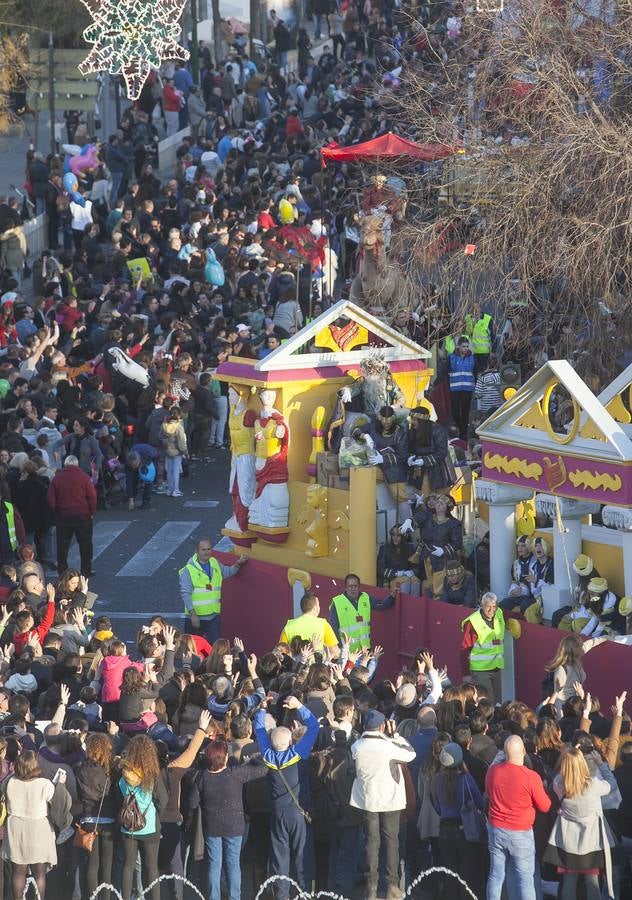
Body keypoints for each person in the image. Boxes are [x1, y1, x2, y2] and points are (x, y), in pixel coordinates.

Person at [253, 694, 319, 900]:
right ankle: (306, 893)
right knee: (302, 857)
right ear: (291, 740)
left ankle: (281, 895)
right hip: (299, 812)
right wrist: (299, 705)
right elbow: (314, 726)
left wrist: (262, 709)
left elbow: (259, 731)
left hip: (277, 814)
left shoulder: (267, 756)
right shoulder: (298, 754)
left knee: (279, 858)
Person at [186, 735, 265, 900]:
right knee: (233, 864)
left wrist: (189, 819)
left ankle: (213, 897)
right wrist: (253, 759)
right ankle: (234, 897)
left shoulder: (202, 777)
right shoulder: (235, 773)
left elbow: (192, 803)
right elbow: (264, 769)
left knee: (214, 865)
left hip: (212, 826)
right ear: (224, 758)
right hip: (235, 826)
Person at [350, 709, 416, 900]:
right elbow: (410, 754)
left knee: (372, 842)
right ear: (382, 726)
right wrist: (395, 735)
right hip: (390, 800)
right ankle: (392, 886)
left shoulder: (357, 746)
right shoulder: (388, 746)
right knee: (391, 842)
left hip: (367, 799)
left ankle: (371, 889)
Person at [543, 747, 615, 900]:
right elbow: (611, 785)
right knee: (592, 882)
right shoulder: (594, 785)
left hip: (568, 842)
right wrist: (601, 764)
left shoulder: (559, 784)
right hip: (591, 843)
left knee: (569, 881)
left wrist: (568, 753)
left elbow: (560, 775)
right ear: (582, 763)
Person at [485, 735, 551, 900]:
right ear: (523, 751)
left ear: (504, 753)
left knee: (496, 875)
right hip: (521, 833)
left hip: (496, 829)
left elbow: (488, 792)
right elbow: (546, 806)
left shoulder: (492, 771)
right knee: (526, 879)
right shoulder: (531, 777)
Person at [2, 749, 69, 900]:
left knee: (18, 872)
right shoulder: (45, 784)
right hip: (39, 829)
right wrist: (61, 785)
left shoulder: (10, 781)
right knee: (39, 874)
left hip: (16, 829)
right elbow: (58, 805)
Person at [429, 741, 485, 899]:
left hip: (444, 830)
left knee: (450, 874)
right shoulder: (466, 779)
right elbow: (479, 802)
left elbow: (437, 807)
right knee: (467, 874)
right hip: (464, 830)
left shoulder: (435, 780)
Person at [117, 735, 168, 900]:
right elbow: (163, 800)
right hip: (149, 826)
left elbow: (120, 797)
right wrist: (155, 815)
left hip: (128, 825)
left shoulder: (123, 774)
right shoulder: (152, 775)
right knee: (152, 868)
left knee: (128, 865)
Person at [178, 537, 248, 643]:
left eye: (209, 549)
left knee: (214, 648)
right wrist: (193, 615)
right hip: (196, 618)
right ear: (196, 551)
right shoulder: (188, 570)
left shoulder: (214, 563)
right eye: (204, 550)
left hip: (213, 617)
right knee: (193, 650)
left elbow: (227, 572)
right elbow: (185, 594)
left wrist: (238, 564)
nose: (207, 552)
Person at [46, 455, 96, 577]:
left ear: (65, 465)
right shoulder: (84, 477)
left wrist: (57, 510)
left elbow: (50, 499)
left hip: (63, 516)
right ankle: (86, 570)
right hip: (82, 515)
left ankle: (62, 571)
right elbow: (92, 496)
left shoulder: (57, 479)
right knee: (85, 544)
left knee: (62, 544)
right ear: (77, 465)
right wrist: (91, 512)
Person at [329, 572, 396, 653]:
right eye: (350, 586)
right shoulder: (337, 602)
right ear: (346, 588)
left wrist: (392, 597)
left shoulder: (365, 597)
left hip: (364, 650)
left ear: (359, 587)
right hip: (347, 651)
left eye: (355, 586)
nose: (353, 589)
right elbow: (333, 627)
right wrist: (339, 648)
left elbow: (381, 605)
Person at [460, 592, 506, 703]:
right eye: (488, 607)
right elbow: (464, 650)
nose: (491, 610)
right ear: (482, 606)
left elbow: (510, 616)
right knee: (487, 703)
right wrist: (466, 674)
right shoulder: (473, 623)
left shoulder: (499, 613)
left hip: (496, 667)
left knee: (498, 702)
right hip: (480, 671)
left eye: (494, 606)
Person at [279, 591, 340, 655]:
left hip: (297, 664)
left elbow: (281, 650)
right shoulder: (323, 624)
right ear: (315, 607)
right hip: (318, 664)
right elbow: (334, 651)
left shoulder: (289, 625)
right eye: (318, 605)